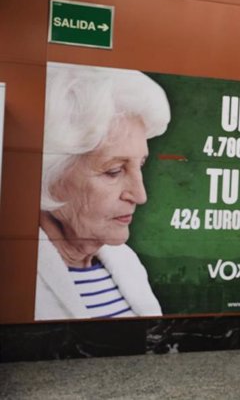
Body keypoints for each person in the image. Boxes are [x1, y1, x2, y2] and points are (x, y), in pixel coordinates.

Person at [35, 62, 171, 320]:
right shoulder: (13, 275)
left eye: (141, 165)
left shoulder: (126, 262)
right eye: (114, 171)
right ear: (48, 174)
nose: (140, 196)